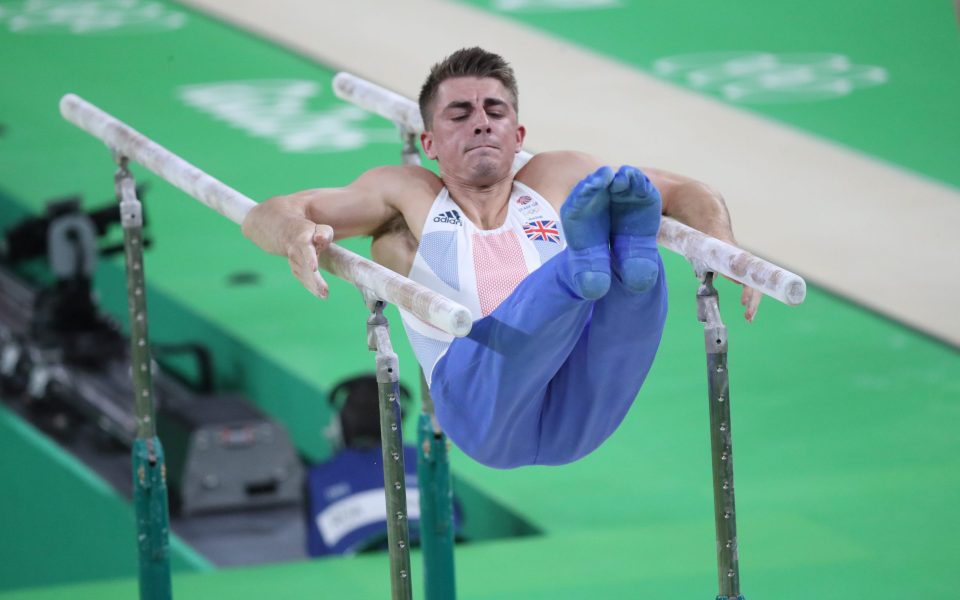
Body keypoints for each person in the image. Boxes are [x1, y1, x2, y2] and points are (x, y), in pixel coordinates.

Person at [242, 47, 759, 469]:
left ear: (518, 135)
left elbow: (686, 190)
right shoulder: (407, 195)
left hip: (581, 402)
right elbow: (270, 212)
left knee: (629, 254)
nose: (482, 124)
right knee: (556, 287)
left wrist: (723, 242)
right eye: (460, 114)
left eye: (496, 111)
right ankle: (581, 269)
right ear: (429, 142)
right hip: (480, 408)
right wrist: (293, 232)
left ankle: (629, 273)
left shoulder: (559, 174)